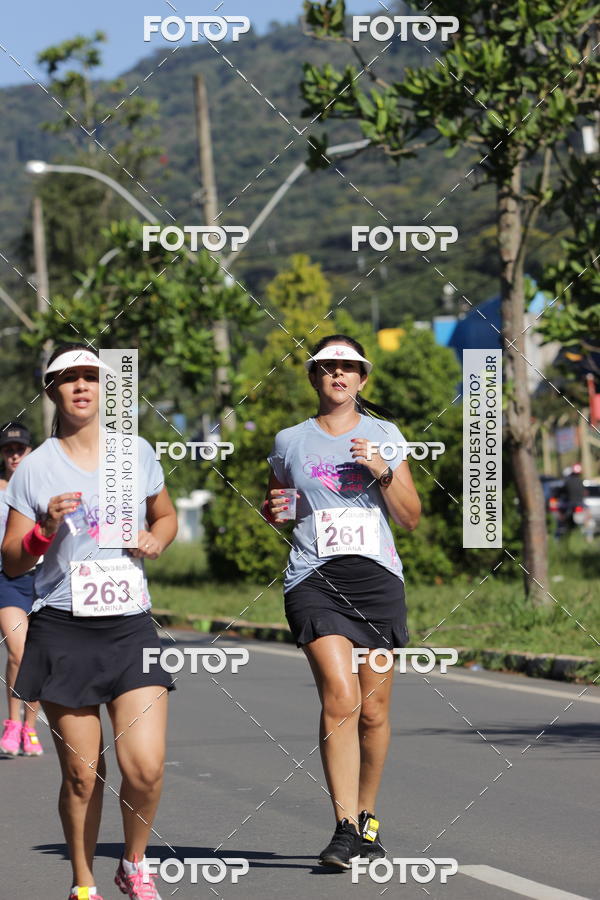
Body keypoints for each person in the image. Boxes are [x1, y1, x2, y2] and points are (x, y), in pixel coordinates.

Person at [2, 343, 178, 900]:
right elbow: (12, 559)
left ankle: (133, 862)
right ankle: (84, 881)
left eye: (91, 377)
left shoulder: (137, 452)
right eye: (68, 378)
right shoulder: (35, 467)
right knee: (83, 774)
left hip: (130, 626)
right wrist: (44, 530)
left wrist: (158, 537)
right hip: (64, 626)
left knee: (145, 768)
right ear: (52, 391)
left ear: (105, 388)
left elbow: (165, 514)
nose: (81, 386)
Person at [263, 334, 421, 869]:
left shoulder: (386, 436)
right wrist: (275, 511)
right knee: (341, 697)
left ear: (362, 379)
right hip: (314, 578)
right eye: (328, 367)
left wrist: (381, 469)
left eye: (348, 368)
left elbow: (410, 516)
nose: (338, 375)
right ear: (314, 378)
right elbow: (277, 503)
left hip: (376, 580)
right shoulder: (290, 441)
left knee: (373, 710)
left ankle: (368, 817)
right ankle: (344, 825)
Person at [0, 421, 43, 757]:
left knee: (38, 654)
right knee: (19, 650)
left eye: (20, 449)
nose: (15, 455)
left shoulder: (42, 487)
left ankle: (30, 726)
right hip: (7, 580)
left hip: (43, 580)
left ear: (29, 451)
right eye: (9, 449)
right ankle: (12, 724)